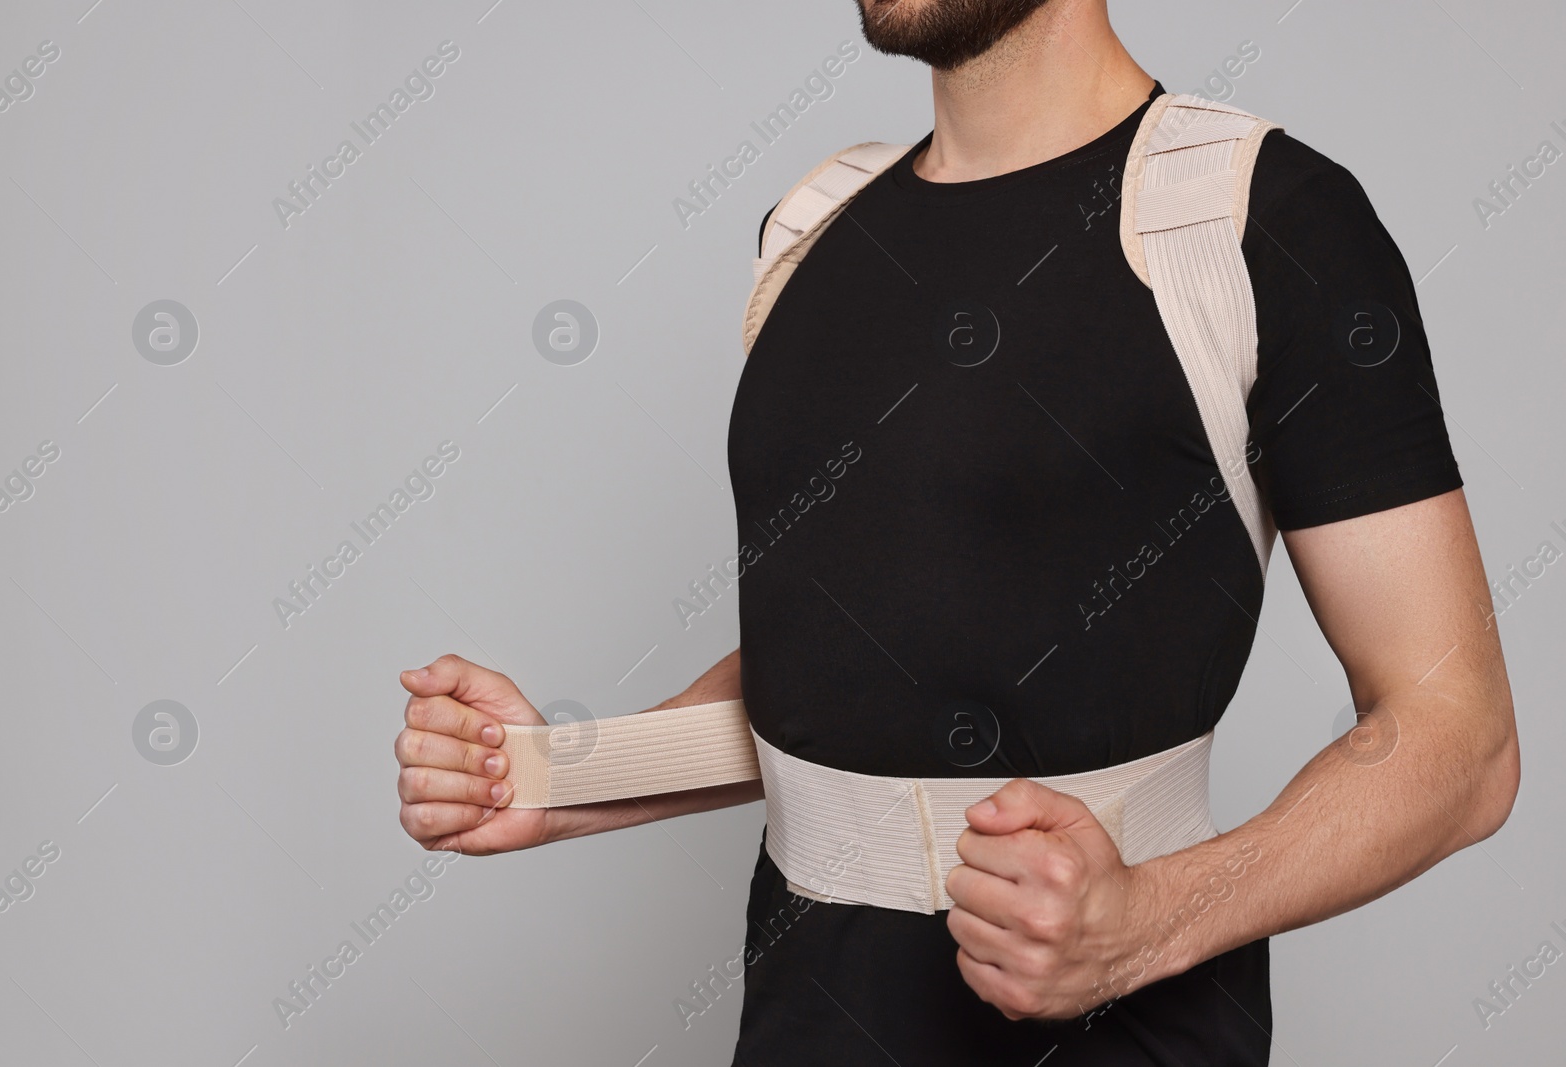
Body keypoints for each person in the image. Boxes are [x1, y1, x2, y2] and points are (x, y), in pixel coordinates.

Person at [393, 1, 1521, 1062]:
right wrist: (558, 774)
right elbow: (848, 676)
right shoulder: (810, 230)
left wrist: (1145, 921)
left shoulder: (1258, 221)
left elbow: (1458, 743)